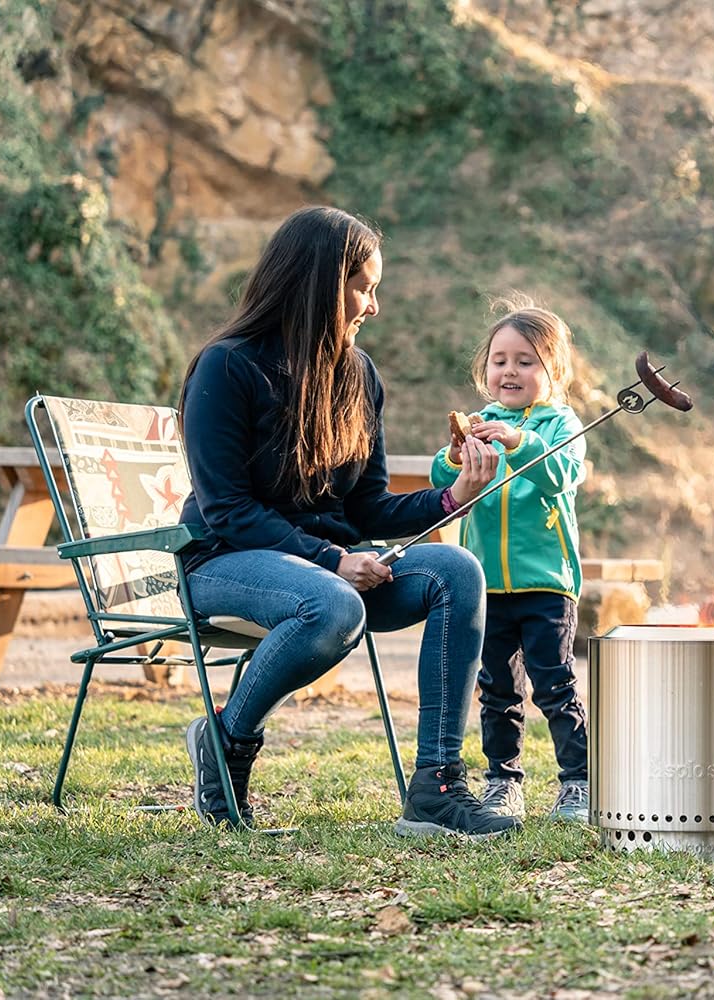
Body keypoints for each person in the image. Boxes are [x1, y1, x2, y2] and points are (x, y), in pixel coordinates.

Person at [178, 205, 519, 839]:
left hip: (323, 569)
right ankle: (229, 741)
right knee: (334, 605)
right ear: (318, 283)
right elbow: (227, 508)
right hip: (224, 561)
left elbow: (368, 509)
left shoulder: (358, 376)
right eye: (364, 287)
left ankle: (437, 787)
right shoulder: (227, 367)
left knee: (456, 570)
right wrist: (331, 560)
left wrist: (453, 499)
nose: (373, 305)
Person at [429, 300, 589, 823]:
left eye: (526, 360)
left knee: (554, 683)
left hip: (545, 583)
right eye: (500, 360)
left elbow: (561, 475)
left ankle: (579, 782)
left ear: (553, 370)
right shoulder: (481, 423)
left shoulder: (560, 423)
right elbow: (438, 479)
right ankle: (503, 781)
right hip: (485, 584)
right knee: (497, 689)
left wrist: (521, 442)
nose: (510, 371)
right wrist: (455, 456)